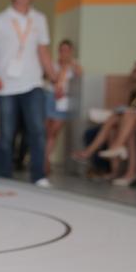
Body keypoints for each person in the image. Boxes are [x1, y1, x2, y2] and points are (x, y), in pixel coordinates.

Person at [0, 0, 57, 188]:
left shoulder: (39, 19)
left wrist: (54, 78)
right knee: (7, 134)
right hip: (5, 86)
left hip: (33, 83)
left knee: (37, 130)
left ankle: (38, 175)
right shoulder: (0, 20)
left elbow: (43, 52)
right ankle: (4, 176)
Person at [73, 61, 136, 180]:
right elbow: (133, 108)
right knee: (110, 126)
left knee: (112, 126)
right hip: (128, 120)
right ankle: (114, 169)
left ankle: (95, 152)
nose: (133, 73)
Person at [43, 39, 83, 174]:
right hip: (49, 97)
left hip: (63, 101)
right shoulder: (53, 65)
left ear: (71, 51)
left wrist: (69, 65)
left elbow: (80, 77)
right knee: (46, 130)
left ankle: (45, 161)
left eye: (67, 50)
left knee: (54, 131)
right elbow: (50, 78)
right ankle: (44, 160)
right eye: (61, 50)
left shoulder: (75, 66)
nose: (64, 53)